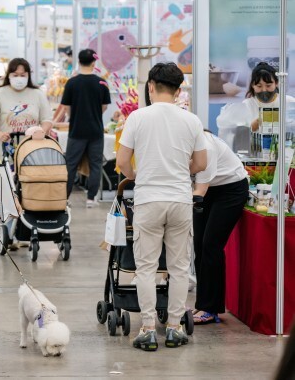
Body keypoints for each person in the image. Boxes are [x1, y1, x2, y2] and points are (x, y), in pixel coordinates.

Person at [116, 62, 207, 351]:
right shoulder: (190, 119)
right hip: (180, 199)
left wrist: (137, 176)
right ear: (179, 90)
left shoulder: (137, 117)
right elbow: (201, 164)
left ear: (151, 87)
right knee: (179, 268)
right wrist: (181, 171)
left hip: (148, 200)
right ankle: (174, 328)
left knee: (146, 267)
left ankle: (146, 328)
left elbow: (121, 162)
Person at [191, 130, 248, 325]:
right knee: (199, 243)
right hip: (209, 188)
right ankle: (202, 303)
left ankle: (211, 308)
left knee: (211, 244)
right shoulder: (179, 143)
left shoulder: (205, 147)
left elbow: (200, 189)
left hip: (230, 189)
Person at [53, 49, 111, 208]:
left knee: (70, 164)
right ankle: (91, 199)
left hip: (76, 130)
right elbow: (104, 107)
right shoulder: (102, 83)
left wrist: (76, 115)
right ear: (94, 62)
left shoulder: (72, 83)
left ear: (78, 62)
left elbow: (66, 108)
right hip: (96, 130)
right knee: (95, 165)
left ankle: (64, 199)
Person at [0, 58, 53, 143]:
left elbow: (47, 120)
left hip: (32, 150)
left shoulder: (38, 94)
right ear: (9, 76)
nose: (19, 78)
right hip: (5, 150)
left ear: (28, 76)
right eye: (15, 75)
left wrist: (40, 133)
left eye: (22, 75)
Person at [241, 62, 295, 131]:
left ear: (276, 83)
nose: (264, 90)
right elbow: (242, 134)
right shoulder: (247, 104)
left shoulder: (289, 101)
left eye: (268, 85)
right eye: (259, 86)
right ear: (252, 86)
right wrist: (256, 124)